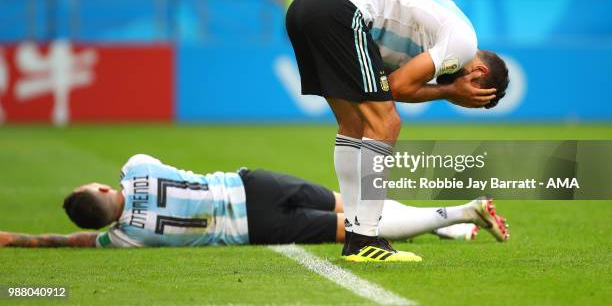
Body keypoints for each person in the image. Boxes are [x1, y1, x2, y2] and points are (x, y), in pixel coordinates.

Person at [285, 0, 509, 262]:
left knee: (353, 124)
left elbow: (391, 86)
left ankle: (356, 234)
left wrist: (446, 88)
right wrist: (450, 90)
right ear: (479, 74)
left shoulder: (428, 38)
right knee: (387, 123)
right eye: (473, 98)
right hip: (340, 11)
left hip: (305, 6)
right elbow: (399, 87)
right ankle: (365, 239)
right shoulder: (463, 45)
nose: (464, 102)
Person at [0, 154, 509, 256]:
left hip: (254, 224)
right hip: (253, 186)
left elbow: (66, 240)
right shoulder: (136, 168)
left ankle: (457, 218)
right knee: (357, 207)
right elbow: (131, 174)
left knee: (359, 224)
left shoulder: (125, 238)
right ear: (106, 190)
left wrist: (12, 239)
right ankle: (454, 219)